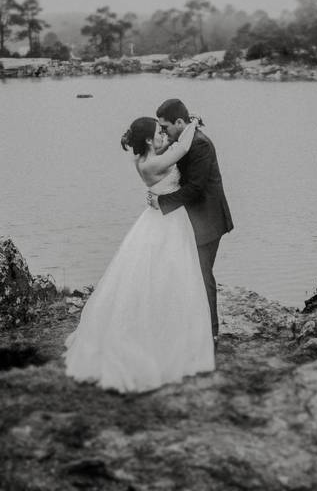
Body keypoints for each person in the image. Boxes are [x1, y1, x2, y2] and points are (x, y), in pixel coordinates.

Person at [64, 116, 215, 393]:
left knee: (157, 274)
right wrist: (192, 124)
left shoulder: (143, 160)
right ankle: (162, 340)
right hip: (167, 222)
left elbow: (170, 152)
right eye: (159, 132)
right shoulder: (154, 162)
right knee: (170, 273)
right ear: (147, 139)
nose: (163, 136)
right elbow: (180, 150)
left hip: (160, 216)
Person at [147, 99, 233, 346]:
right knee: (185, 273)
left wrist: (161, 203)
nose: (164, 132)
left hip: (208, 220)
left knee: (202, 275)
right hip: (190, 218)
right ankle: (187, 325)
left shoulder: (200, 145)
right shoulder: (185, 140)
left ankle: (211, 333)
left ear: (180, 122)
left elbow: (195, 188)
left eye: (166, 127)